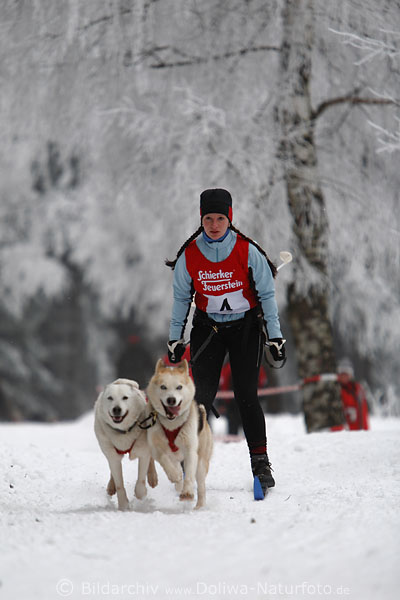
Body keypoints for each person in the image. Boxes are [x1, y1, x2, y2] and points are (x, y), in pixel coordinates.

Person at [165, 188, 286, 494]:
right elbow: (181, 299)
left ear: (230, 218)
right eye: (208, 218)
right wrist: (174, 338)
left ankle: (260, 464)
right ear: (201, 219)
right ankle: (188, 462)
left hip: (245, 328)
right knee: (201, 398)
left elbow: (268, 295)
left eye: (220, 218)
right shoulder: (189, 256)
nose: (214, 224)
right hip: (208, 330)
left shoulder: (247, 251)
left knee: (246, 395)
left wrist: (275, 336)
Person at [337, 359, 369, 430]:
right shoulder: (336, 389)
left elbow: (363, 413)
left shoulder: (357, 389)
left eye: (346, 374)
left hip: (356, 431)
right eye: (342, 374)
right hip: (340, 433)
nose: (344, 377)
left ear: (350, 375)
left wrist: (365, 432)